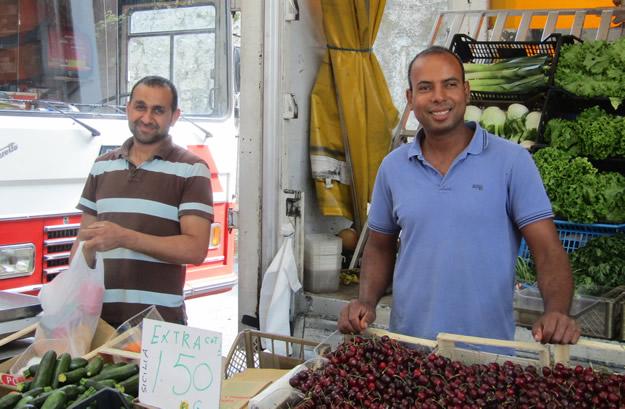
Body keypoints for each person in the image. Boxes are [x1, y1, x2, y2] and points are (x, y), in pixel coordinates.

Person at [337, 47, 580, 345]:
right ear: (411, 99)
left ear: (466, 91)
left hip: (488, 356)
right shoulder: (393, 167)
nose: (439, 97)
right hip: (409, 351)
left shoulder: (512, 162)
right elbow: (380, 247)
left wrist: (556, 311)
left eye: (449, 84)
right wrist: (366, 302)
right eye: (425, 88)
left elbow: (547, 251)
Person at [70, 75, 213, 327]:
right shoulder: (102, 166)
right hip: (98, 323)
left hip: (160, 324)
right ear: (128, 108)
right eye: (140, 107)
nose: (147, 118)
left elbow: (196, 250)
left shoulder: (192, 169)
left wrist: (124, 237)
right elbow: (83, 242)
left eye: (158, 110)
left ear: (174, 116)